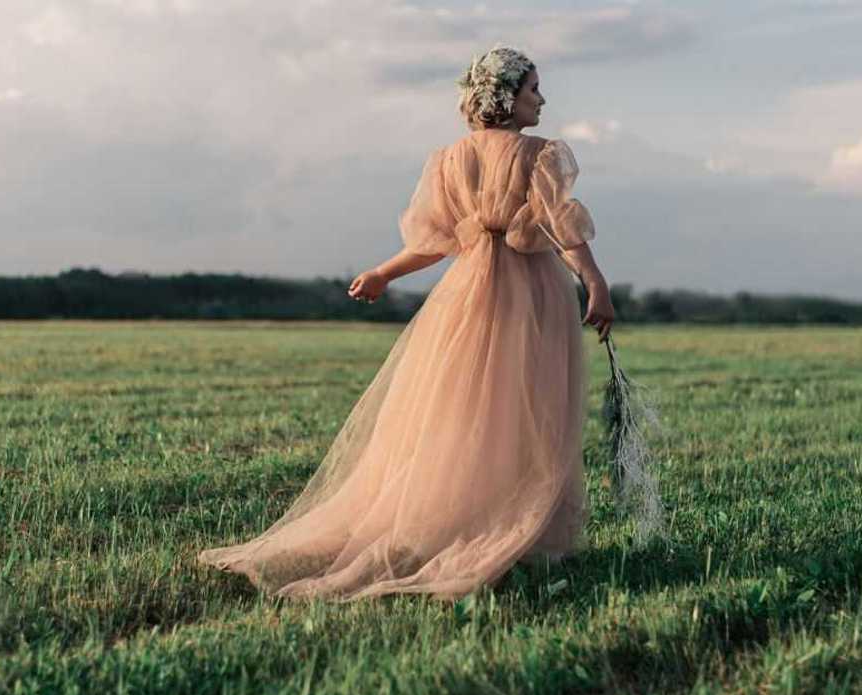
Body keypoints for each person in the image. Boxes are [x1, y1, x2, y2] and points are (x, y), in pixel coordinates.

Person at [197, 45, 616, 602]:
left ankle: (471, 522)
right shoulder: (537, 154)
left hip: (467, 294)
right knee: (528, 409)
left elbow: (431, 243)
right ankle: (505, 532)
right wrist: (596, 282)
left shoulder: (449, 160)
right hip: (530, 295)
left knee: (463, 409)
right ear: (505, 98)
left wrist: (382, 273)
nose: (542, 99)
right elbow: (564, 230)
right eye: (533, 89)